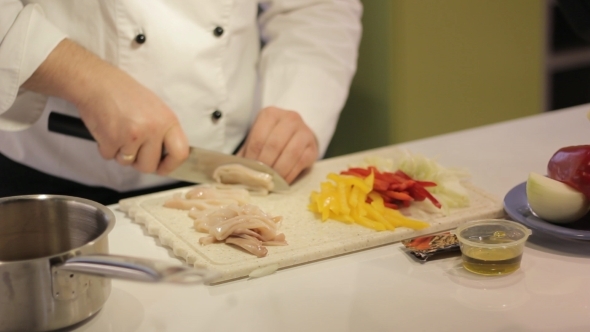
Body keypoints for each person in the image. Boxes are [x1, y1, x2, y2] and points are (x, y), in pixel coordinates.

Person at [0, 1, 362, 204]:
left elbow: (314, 8)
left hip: (232, 174)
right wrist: (84, 78)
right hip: (42, 181)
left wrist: (297, 102)